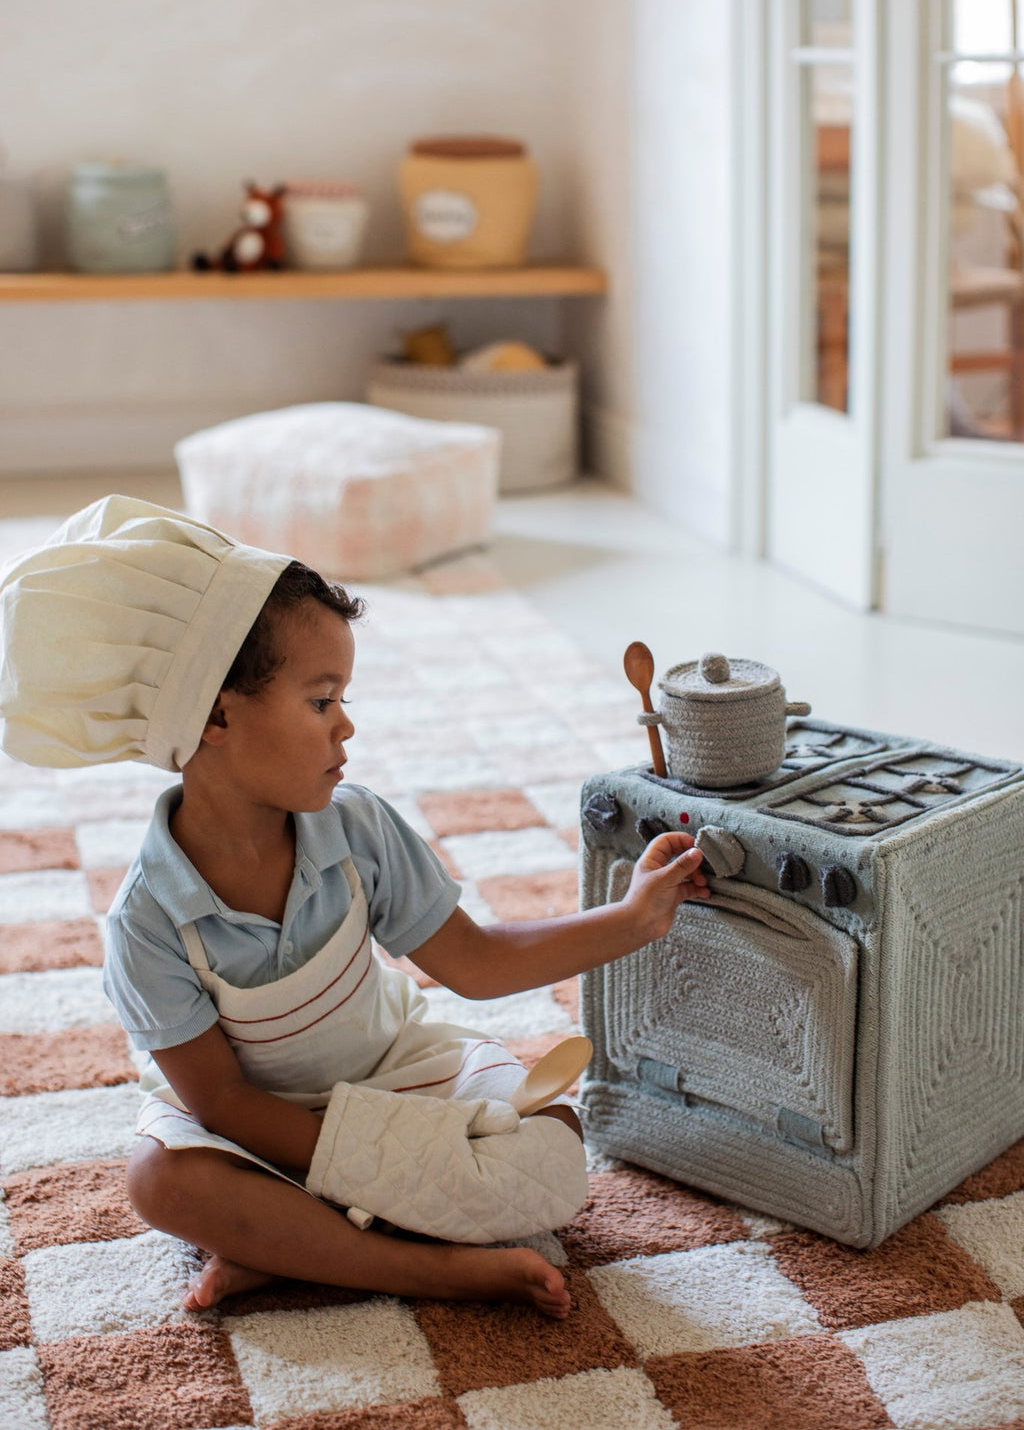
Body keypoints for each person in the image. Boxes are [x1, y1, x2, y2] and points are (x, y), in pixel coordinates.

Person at [0, 497, 710, 1320]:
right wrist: (376, 1160)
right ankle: (438, 1268)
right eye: (321, 700)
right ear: (217, 714)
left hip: (398, 1072)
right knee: (159, 1181)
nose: (348, 726)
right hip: (265, 1131)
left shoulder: (358, 826)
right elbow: (223, 1104)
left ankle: (301, 1246)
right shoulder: (146, 922)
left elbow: (477, 964)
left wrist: (633, 918)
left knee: (555, 1148)